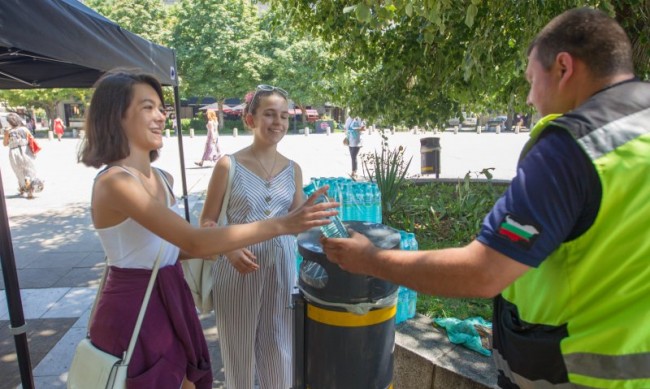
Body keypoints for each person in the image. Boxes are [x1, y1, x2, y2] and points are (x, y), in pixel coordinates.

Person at [321, 8, 649, 388]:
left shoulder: (573, 148)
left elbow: (484, 273)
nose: (529, 99)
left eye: (531, 80)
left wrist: (370, 259)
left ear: (563, 67)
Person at [77, 71, 338, 389]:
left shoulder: (161, 178)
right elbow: (194, 239)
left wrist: (303, 220)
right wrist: (281, 224)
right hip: (135, 301)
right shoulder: (115, 182)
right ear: (116, 114)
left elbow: (174, 247)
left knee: (189, 377)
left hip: (172, 290)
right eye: (149, 107)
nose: (161, 116)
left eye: (161, 108)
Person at [199, 84, 299, 389]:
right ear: (250, 119)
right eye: (269, 114)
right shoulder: (228, 165)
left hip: (281, 273)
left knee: (280, 353)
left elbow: (298, 222)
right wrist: (228, 250)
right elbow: (207, 222)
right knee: (238, 357)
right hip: (236, 271)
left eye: (283, 116)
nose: (278, 122)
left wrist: (320, 217)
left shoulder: (294, 169)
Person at [2, 112, 44, 199]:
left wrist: (6, 134)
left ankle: (23, 187)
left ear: (9, 122)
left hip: (14, 152)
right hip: (25, 150)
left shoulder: (8, 131)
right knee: (29, 170)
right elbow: (31, 139)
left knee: (19, 171)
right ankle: (29, 187)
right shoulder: (24, 129)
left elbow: (5, 144)